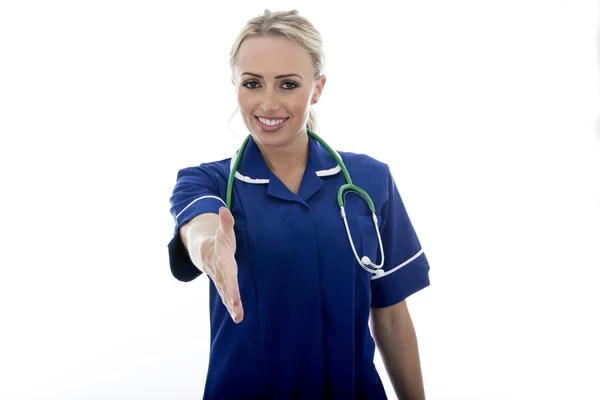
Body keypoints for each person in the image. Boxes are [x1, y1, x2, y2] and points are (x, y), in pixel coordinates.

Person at [168, 9, 431, 400]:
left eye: (288, 84)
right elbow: (200, 224)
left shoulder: (369, 180)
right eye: (253, 83)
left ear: (318, 88)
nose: (268, 103)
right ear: (236, 86)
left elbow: (391, 317)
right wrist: (208, 247)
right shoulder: (209, 181)